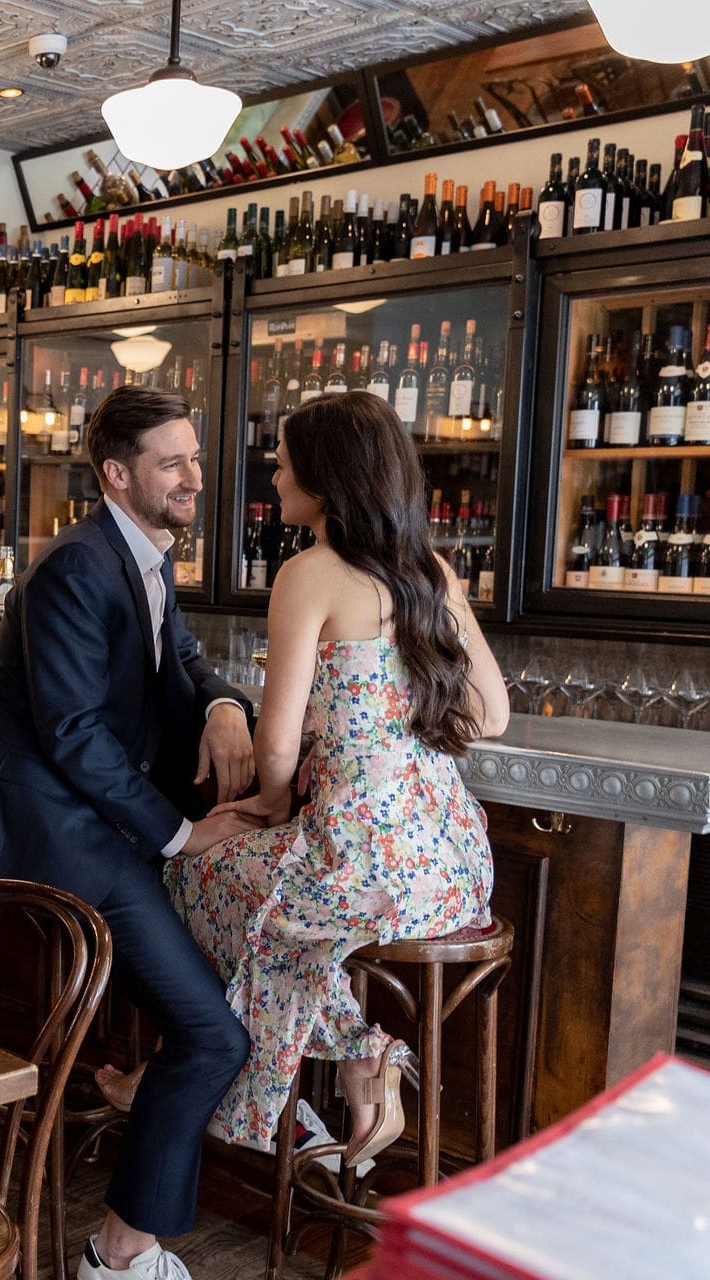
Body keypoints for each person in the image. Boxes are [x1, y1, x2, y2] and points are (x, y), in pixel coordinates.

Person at [0, 385, 261, 1280]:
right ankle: (122, 1259)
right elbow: (79, 738)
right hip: (63, 838)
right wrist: (180, 834)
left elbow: (184, 659)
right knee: (215, 1032)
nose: (193, 477)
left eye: (195, 458)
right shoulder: (77, 569)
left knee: (228, 1001)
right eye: (171, 461)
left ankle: (136, 1141)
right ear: (117, 473)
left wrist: (222, 706)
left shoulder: (144, 558)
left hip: (104, 828)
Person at [158, 388, 506, 1168]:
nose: (273, 478)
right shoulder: (434, 572)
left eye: (283, 466)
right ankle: (350, 1066)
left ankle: (344, 1056)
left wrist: (271, 802)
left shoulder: (308, 573)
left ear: (325, 482)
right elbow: (495, 716)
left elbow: (273, 745)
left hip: (359, 864)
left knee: (191, 875)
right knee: (287, 918)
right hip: (454, 869)